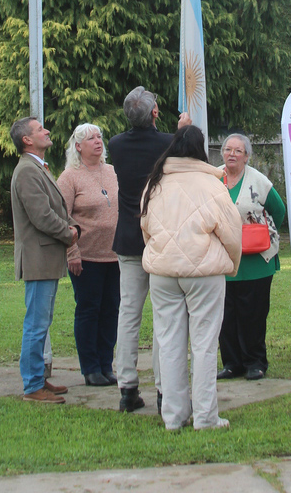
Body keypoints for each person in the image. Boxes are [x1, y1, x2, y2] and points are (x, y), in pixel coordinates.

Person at [141, 125, 242, 431]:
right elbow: (232, 232)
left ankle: (173, 416)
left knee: (169, 344)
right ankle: (206, 416)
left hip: (162, 272)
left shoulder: (155, 182)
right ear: (202, 150)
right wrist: (231, 265)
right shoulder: (212, 185)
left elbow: (145, 227)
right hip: (204, 272)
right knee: (204, 344)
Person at [108, 86, 189, 412]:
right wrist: (183, 133)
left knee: (128, 312)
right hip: (158, 237)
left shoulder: (116, 144)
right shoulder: (167, 143)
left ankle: (127, 387)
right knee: (163, 314)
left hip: (129, 238)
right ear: (155, 112)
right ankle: (162, 387)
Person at [9, 116, 80, 404]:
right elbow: (41, 215)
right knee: (36, 324)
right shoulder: (27, 170)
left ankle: (38, 377)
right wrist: (68, 233)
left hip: (46, 257)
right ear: (27, 140)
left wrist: (71, 226)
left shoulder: (37, 167)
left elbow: (55, 207)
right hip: (38, 259)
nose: (47, 131)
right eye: (40, 129)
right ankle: (32, 385)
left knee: (42, 321)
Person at [216, 133, 286, 382]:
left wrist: (259, 234)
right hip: (224, 261)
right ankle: (231, 363)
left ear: (247, 156)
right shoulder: (214, 178)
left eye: (238, 151)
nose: (232, 154)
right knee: (225, 316)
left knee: (253, 315)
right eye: (228, 149)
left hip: (256, 262)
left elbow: (278, 211)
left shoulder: (259, 181)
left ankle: (255, 362)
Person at [57, 123, 121, 387]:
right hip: (86, 258)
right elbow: (62, 217)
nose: (97, 141)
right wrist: (72, 251)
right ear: (78, 146)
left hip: (116, 256)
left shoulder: (113, 171)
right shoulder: (69, 177)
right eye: (90, 138)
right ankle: (91, 368)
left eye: (99, 137)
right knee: (89, 310)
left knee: (111, 310)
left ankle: (106, 364)